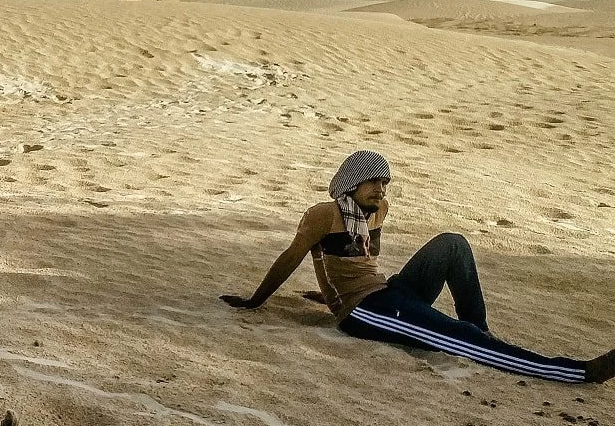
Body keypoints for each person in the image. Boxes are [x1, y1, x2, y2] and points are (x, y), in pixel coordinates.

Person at [223, 150, 613, 384]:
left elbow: (363, 262)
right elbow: (291, 259)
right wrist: (254, 302)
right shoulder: (323, 215)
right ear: (350, 187)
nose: (380, 190)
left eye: (384, 183)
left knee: (453, 244)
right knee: (453, 334)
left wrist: (326, 293)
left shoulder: (379, 211)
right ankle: (579, 372)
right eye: (371, 183)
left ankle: (481, 333)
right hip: (364, 310)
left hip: (386, 291)